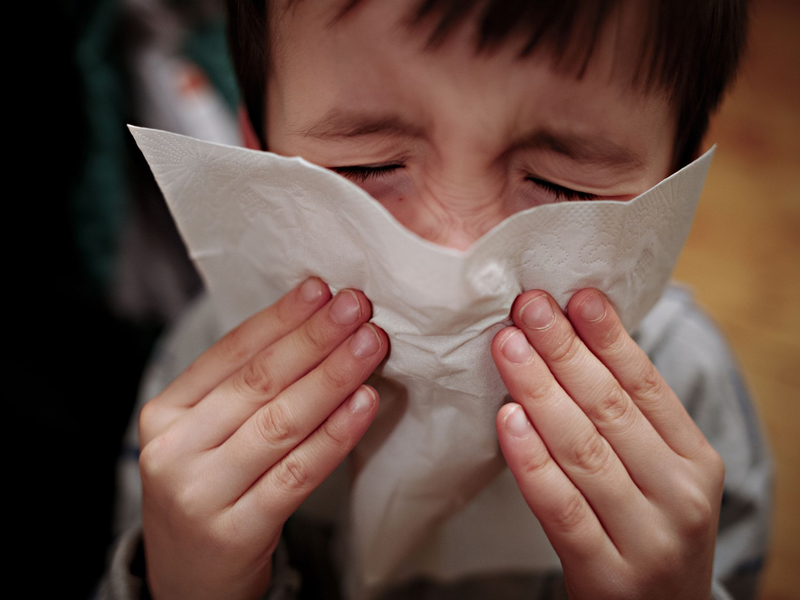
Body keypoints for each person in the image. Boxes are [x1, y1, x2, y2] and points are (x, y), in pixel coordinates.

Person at [98, 1, 773, 599]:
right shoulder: (202, 382)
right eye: (368, 167)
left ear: (673, 189)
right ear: (259, 153)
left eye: (563, 186)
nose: (458, 258)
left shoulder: (689, 393)